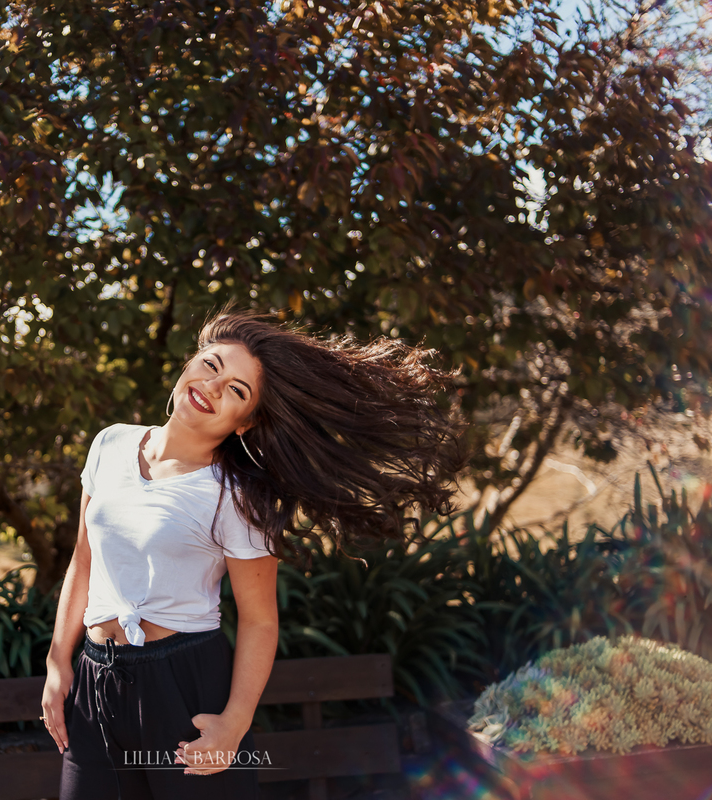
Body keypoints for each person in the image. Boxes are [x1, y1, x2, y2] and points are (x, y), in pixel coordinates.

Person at [41, 311, 464, 800]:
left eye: (238, 390)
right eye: (212, 364)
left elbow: (260, 620)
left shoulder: (238, 496)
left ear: (247, 423)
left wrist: (234, 725)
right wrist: (59, 663)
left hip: (184, 686)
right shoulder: (109, 444)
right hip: (98, 680)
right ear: (189, 363)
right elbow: (83, 561)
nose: (214, 385)